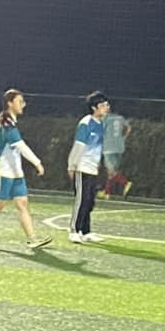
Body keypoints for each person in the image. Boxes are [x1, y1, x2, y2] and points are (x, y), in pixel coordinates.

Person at [0, 89, 52, 250]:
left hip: (16, 173)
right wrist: (37, 163)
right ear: (10, 103)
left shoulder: (9, 123)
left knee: (22, 204)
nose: (23, 104)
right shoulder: (7, 125)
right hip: (3, 172)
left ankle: (32, 239)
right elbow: (20, 146)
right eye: (20, 101)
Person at [66, 91, 110, 243]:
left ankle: (86, 232)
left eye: (107, 105)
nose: (106, 108)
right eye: (103, 105)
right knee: (81, 200)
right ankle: (74, 230)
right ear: (94, 107)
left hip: (92, 169)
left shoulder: (101, 125)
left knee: (90, 201)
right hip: (81, 168)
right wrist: (72, 165)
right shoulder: (86, 123)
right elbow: (78, 145)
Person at [100, 110, 132, 199]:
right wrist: (123, 138)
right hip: (119, 147)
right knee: (111, 172)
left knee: (112, 171)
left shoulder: (105, 119)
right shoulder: (120, 118)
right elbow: (129, 128)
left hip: (108, 148)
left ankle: (125, 182)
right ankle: (106, 192)